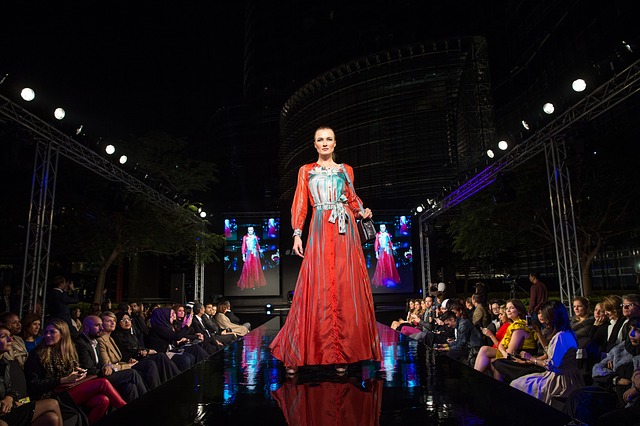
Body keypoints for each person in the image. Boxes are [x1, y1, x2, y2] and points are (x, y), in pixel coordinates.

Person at [269, 126, 381, 375]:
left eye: (329, 139)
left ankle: (342, 354)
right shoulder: (306, 171)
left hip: (345, 232)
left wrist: (362, 211)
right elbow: (300, 203)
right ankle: (299, 350)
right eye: (320, 140)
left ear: (335, 143)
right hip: (320, 228)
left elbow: (352, 200)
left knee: (344, 287)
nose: (325, 143)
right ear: (315, 144)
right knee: (315, 286)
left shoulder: (346, 170)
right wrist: (297, 233)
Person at [24, 319, 126, 424]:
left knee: (103, 400)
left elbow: (73, 370)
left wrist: (80, 373)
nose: (48, 335)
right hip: (51, 395)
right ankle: (128, 412)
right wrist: (62, 380)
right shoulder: (37, 354)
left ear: (63, 334)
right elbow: (34, 384)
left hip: (69, 388)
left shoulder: (68, 350)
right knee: (103, 383)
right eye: (46, 332)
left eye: (52, 332)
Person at [510, 301, 584, 404]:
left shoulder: (561, 337)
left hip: (561, 381)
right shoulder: (567, 333)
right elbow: (550, 351)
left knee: (517, 384)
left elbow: (552, 365)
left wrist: (531, 358)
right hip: (568, 376)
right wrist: (538, 332)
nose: (543, 319)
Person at [0, 325, 64, 426]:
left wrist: (10, 397)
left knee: (52, 417)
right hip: (4, 411)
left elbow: (8, 389)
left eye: (10, 336)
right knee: (52, 403)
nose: (10, 339)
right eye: (4, 336)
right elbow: (35, 383)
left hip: (10, 406)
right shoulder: (37, 353)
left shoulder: (5, 363)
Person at [74, 316, 148, 403]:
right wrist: (107, 368)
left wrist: (107, 366)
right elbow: (89, 369)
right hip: (94, 379)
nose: (101, 328)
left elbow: (102, 363)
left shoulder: (94, 340)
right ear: (86, 327)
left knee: (130, 386)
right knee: (132, 373)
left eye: (101, 325)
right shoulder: (81, 343)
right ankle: (147, 401)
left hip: (102, 374)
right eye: (97, 325)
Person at [111, 311, 179, 384]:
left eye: (128, 319)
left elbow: (138, 347)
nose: (127, 321)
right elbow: (129, 350)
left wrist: (144, 351)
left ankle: (175, 379)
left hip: (139, 356)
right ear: (118, 322)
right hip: (130, 361)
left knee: (161, 356)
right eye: (123, 320)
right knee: (157, 359)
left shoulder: (131, 335)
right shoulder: (117, 336)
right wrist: (147, 351)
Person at [474, 299, 537, 377]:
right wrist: (504, 353)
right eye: (507, 309)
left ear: (519, 310)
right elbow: (501, 345)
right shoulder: (512, 325)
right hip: (508, 354)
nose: (508, 310)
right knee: (489, 356)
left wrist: (504, 353)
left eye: (512, 308)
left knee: (486, 351)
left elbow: (510, 352)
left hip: (521, 357)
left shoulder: (519, 326)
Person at [146, 308, 209, 372]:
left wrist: (183, 335)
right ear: (163, 316)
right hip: (162, 354)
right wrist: (186, 325)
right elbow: (176, 336)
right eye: (171, 315)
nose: (173, 317)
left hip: (172, 349)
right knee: (185, 359)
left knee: (193, 354)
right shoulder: (159, 328)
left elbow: (175, 338)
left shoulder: (167, 326)